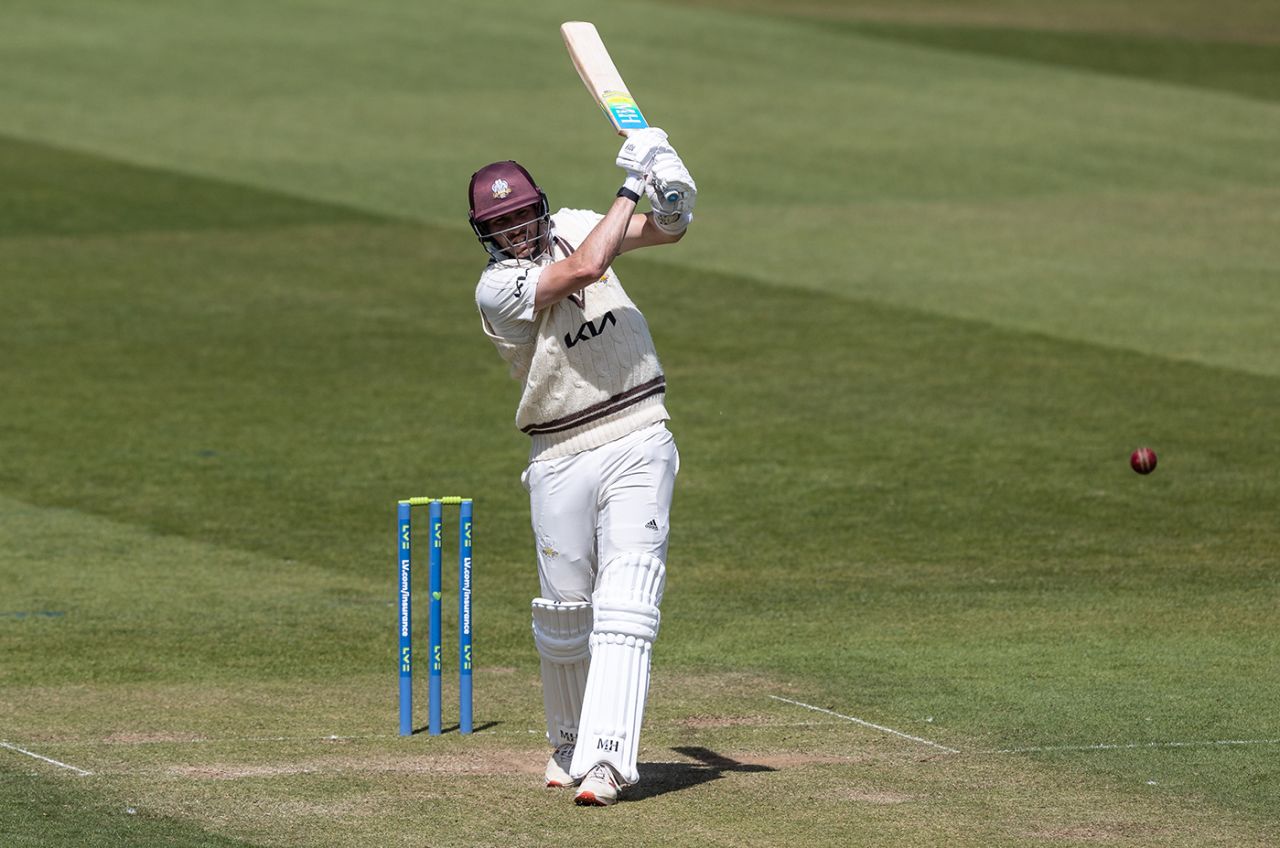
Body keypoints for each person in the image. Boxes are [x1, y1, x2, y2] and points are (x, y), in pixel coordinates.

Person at [469, 128, 696, 806]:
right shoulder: (497, 288)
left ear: (538, 206)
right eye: (500, 223)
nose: (515, 230)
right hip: (559, 450)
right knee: (565, 613)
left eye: (520, 215)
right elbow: (585, 271)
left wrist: (673, 200)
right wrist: (629, 183)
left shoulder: (571, 224)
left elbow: (657, 234)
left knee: (628, 599)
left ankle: (607, 762)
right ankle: (569, 743)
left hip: (637, 430)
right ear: (486, 234)